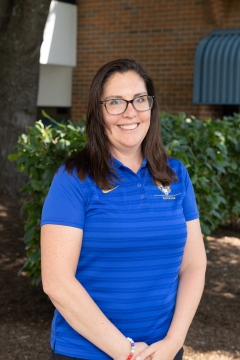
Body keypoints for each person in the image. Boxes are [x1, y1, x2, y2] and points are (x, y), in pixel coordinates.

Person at [41, 58, 207, 360]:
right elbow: (57, 281)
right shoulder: (74, 178)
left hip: (163, 352)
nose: (130, 112)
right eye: (115, 102)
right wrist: (127, 353)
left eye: (140, 100)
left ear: (151, 107)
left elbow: (194, 265)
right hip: (85, 353)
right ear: (98, 111)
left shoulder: (176, 174)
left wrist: (173, 342)